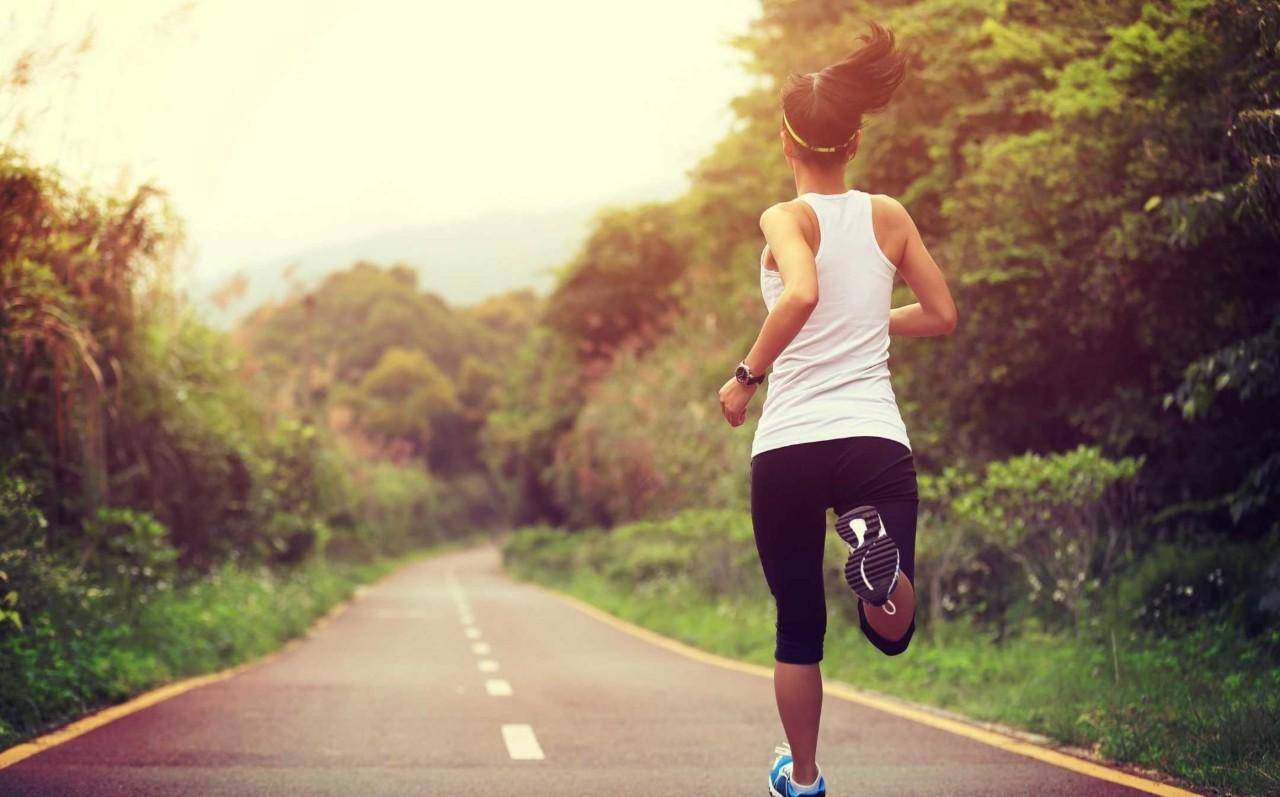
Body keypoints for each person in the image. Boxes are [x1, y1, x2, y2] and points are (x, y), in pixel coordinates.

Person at [716, 21, 957, 797]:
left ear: (787, 146)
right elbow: (942, 313)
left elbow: (803, 291)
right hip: (872, 438)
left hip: (788, 443)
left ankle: (807, 778)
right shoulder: (889, 214)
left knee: (798, 629)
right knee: (890, 632)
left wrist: (746, 376)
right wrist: (872, 322)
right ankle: (877, 572)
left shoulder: (785, 219)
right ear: (853, 142)